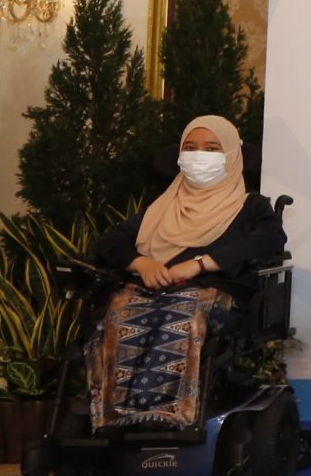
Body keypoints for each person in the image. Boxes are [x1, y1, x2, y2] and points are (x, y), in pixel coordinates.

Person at [89, 115, 286, 430]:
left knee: (181, 315)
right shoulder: (162, 209)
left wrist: (202, 263)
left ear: (233, 157)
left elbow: (270, 240)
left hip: (213, 295)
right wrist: (141, 263)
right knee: (117, 313)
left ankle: (166, 417)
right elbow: (109, 243)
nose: (199, 156)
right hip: (151, 292)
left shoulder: (250, 207)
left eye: (211, 148)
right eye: (191, 148)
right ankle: (117, 417)